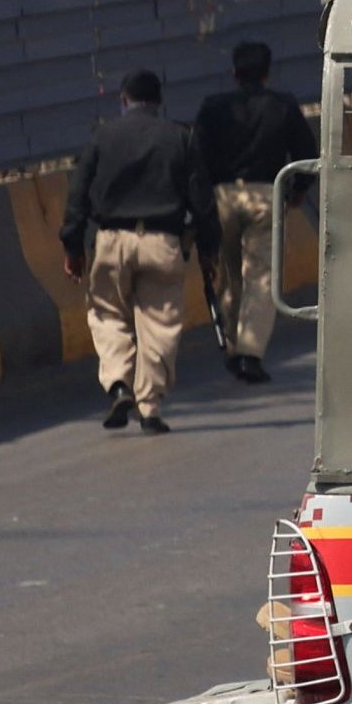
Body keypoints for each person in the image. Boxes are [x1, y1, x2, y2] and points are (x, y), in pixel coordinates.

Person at [62, 70, 212, 433]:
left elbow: (78, 196)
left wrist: (73, 247)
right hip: (162, 242)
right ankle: (150, 406)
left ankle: (117, 384)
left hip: (112, 240)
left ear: (123, 99)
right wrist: (209, 250)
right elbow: (202, 201)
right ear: (159, 102)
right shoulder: (180, 136)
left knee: (107, 314)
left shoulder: (102, 137)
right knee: (159, 323)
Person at [194, 42, 318, 384]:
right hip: (266, 195)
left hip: (223, 197)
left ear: (234, 73)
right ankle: (251, 353)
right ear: (267, 72)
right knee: (261, 277)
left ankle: (232, 347)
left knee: (230, 275)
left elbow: (196, 159)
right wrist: (298, 190)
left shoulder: (212, 107)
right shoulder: (282, 106)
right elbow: (307, 152)